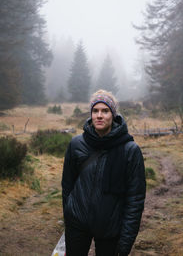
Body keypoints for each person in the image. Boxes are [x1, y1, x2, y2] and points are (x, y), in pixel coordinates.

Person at [61, 90, 146, 256]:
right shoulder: (76, 144)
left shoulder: (130, 150)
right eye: (95, 111)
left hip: (110, 229)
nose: (99, 116)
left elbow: (135, 199)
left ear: (113, 115)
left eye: (105, 111)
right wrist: (70, 214)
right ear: (91, 114)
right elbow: (67, 184)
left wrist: (126, 241)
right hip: (77, 225)